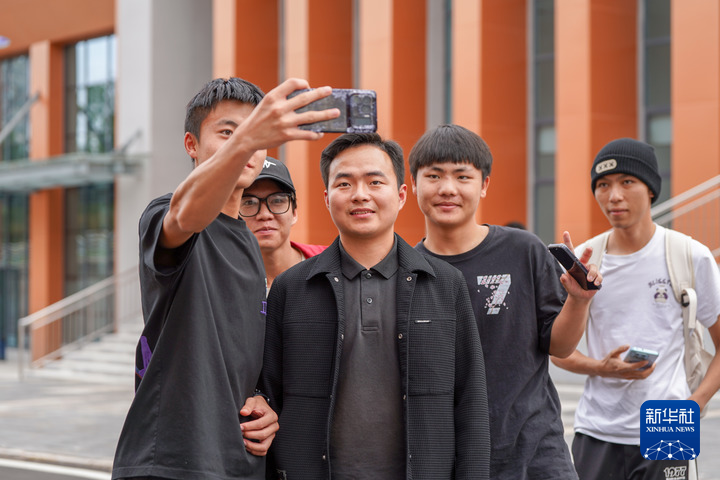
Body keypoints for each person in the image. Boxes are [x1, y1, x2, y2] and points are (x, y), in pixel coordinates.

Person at [112, 77, 340, 480]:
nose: (246, 145)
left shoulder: (249, 246)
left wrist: (263, 403)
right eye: (227, 133)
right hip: (171, 463)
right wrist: (248, 140)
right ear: (191, 145)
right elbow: (185, 215)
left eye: (255, 134)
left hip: (236, 463)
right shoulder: (168, 213)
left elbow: (240, 363)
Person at [260, 132, 491, 479]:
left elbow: (471, 402)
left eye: (375, 182)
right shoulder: (291, 288)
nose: (360, 194)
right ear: (327, 198)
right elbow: (269, 397)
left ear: (401, 195)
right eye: (344, 183)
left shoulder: (445, 284)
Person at [408, 124, 601, 479]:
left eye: (462, 176)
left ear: (484, 185)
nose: (447, 188)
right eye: (433, 176)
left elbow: (559, 346)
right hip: (450, 460)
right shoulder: (406, 271)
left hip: (536, 455)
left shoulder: (523, 250)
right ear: (414, 184)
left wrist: (578, 301)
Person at [551, 138, 720, 480]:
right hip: (597, 426)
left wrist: (695, 403)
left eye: (627, 182)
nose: (614, 196)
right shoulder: (585, 260)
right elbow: (557, 351)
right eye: (603, 185)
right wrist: (603, 368)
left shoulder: (689, 255)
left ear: (651, 189)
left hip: (669, 420)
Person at [241, 156, 326, 291]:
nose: (265, 215)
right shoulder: (219, 278)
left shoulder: (331, 262)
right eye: (250, 202)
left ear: (294, 212)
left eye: (277, 201)